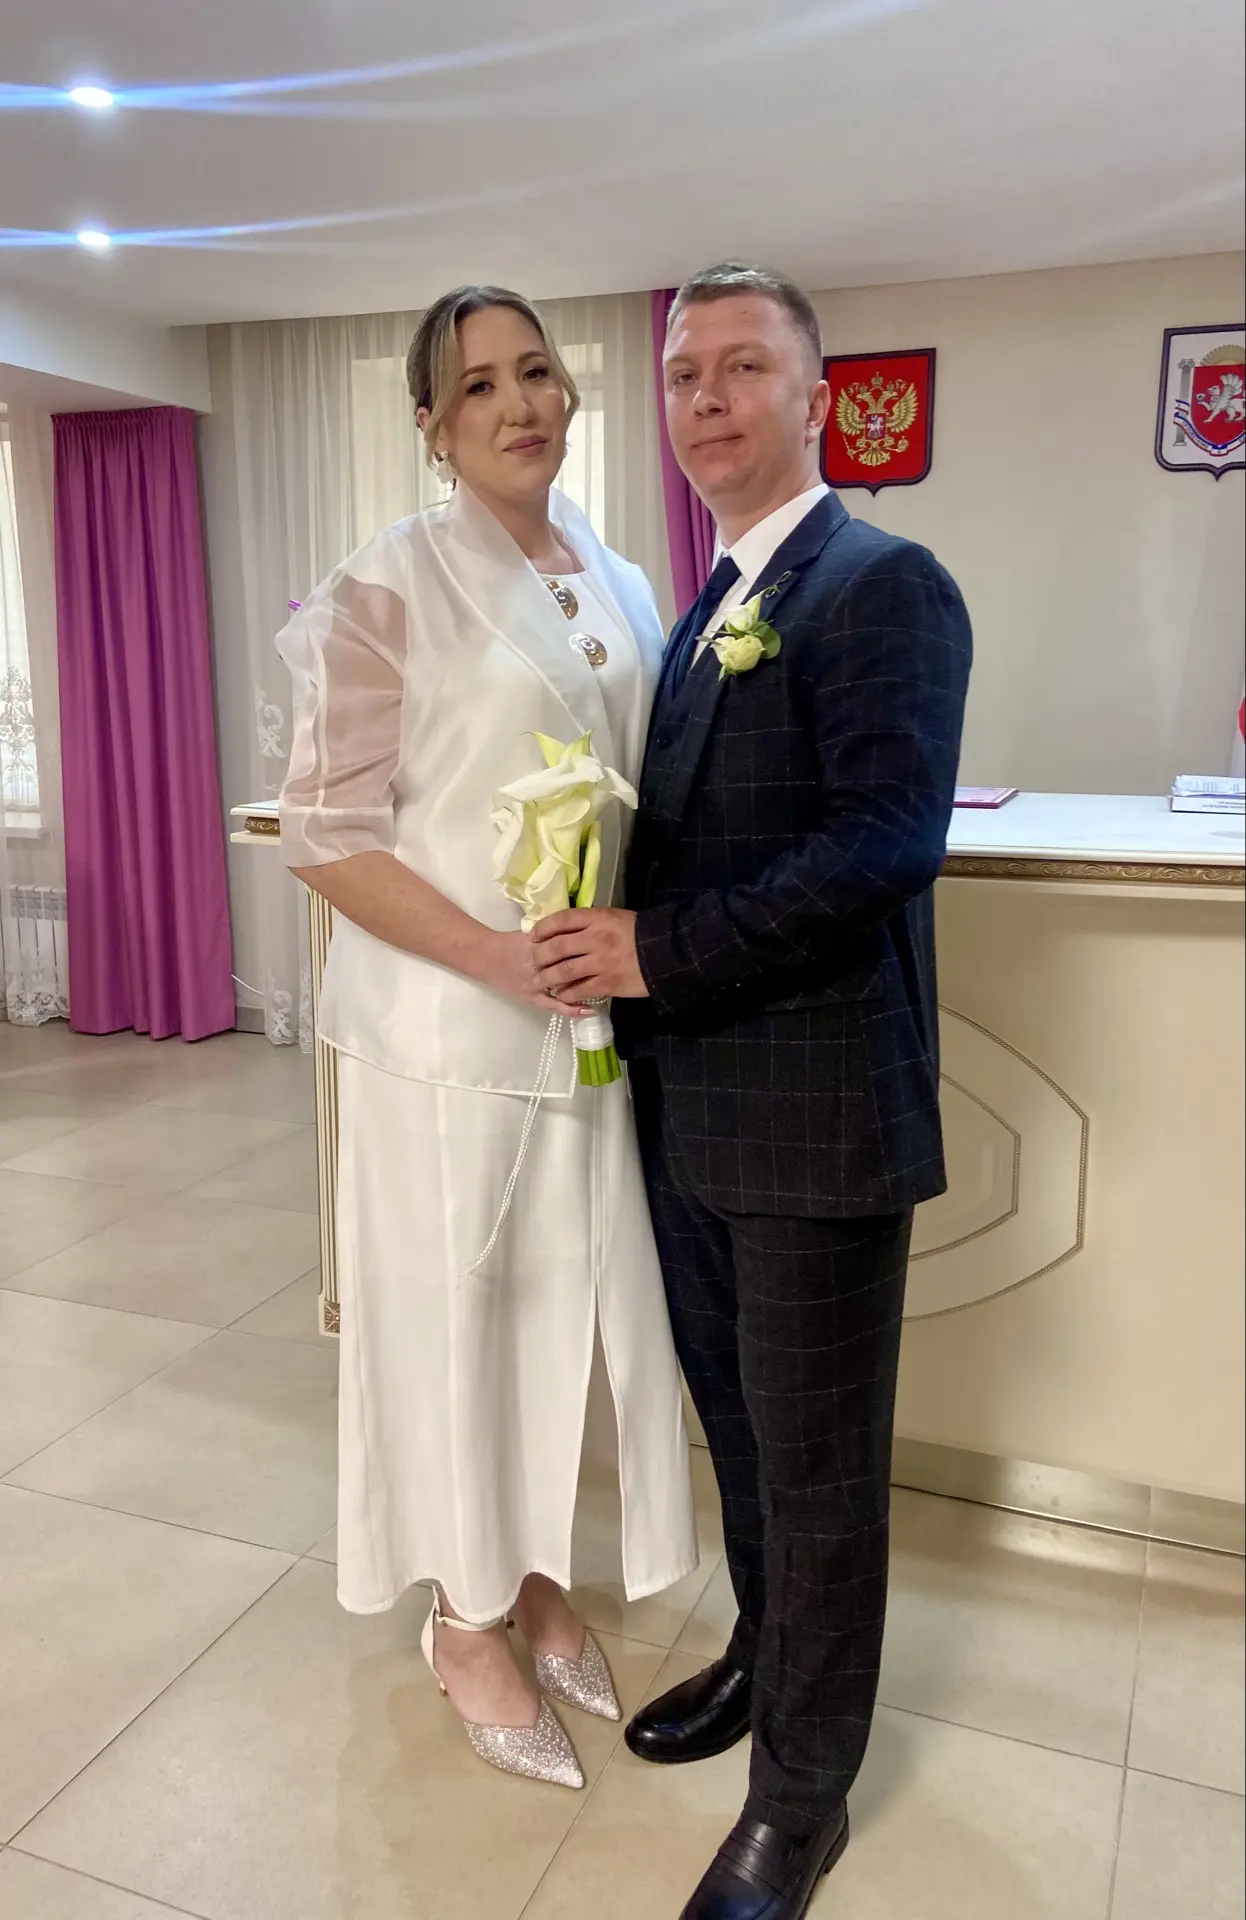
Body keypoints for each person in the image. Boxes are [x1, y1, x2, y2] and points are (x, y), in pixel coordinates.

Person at [532, 262, 972, 1915]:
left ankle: (800, 1797)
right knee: (739, 1432)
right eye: (680, 373)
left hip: (815, 1123)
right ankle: (763, 1652)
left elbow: (880, 849)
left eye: (741, 367)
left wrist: (651, 949)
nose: (705, 397)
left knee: (818, 1469)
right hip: (690, 1114)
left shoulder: (883, 583)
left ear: (815, 398)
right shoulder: (704, 602)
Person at [276, 285, 697, 1792]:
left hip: (579, 1023)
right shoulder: (384, 585)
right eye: (478, 386)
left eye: (538, 372)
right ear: (432, 427)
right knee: (453, 1318)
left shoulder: (620, 575)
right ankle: (460, 1621)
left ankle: (525, 1568)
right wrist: (496, 958)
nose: (519, 404)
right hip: (446, 1030)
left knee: (553, 1310)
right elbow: (324, 833)